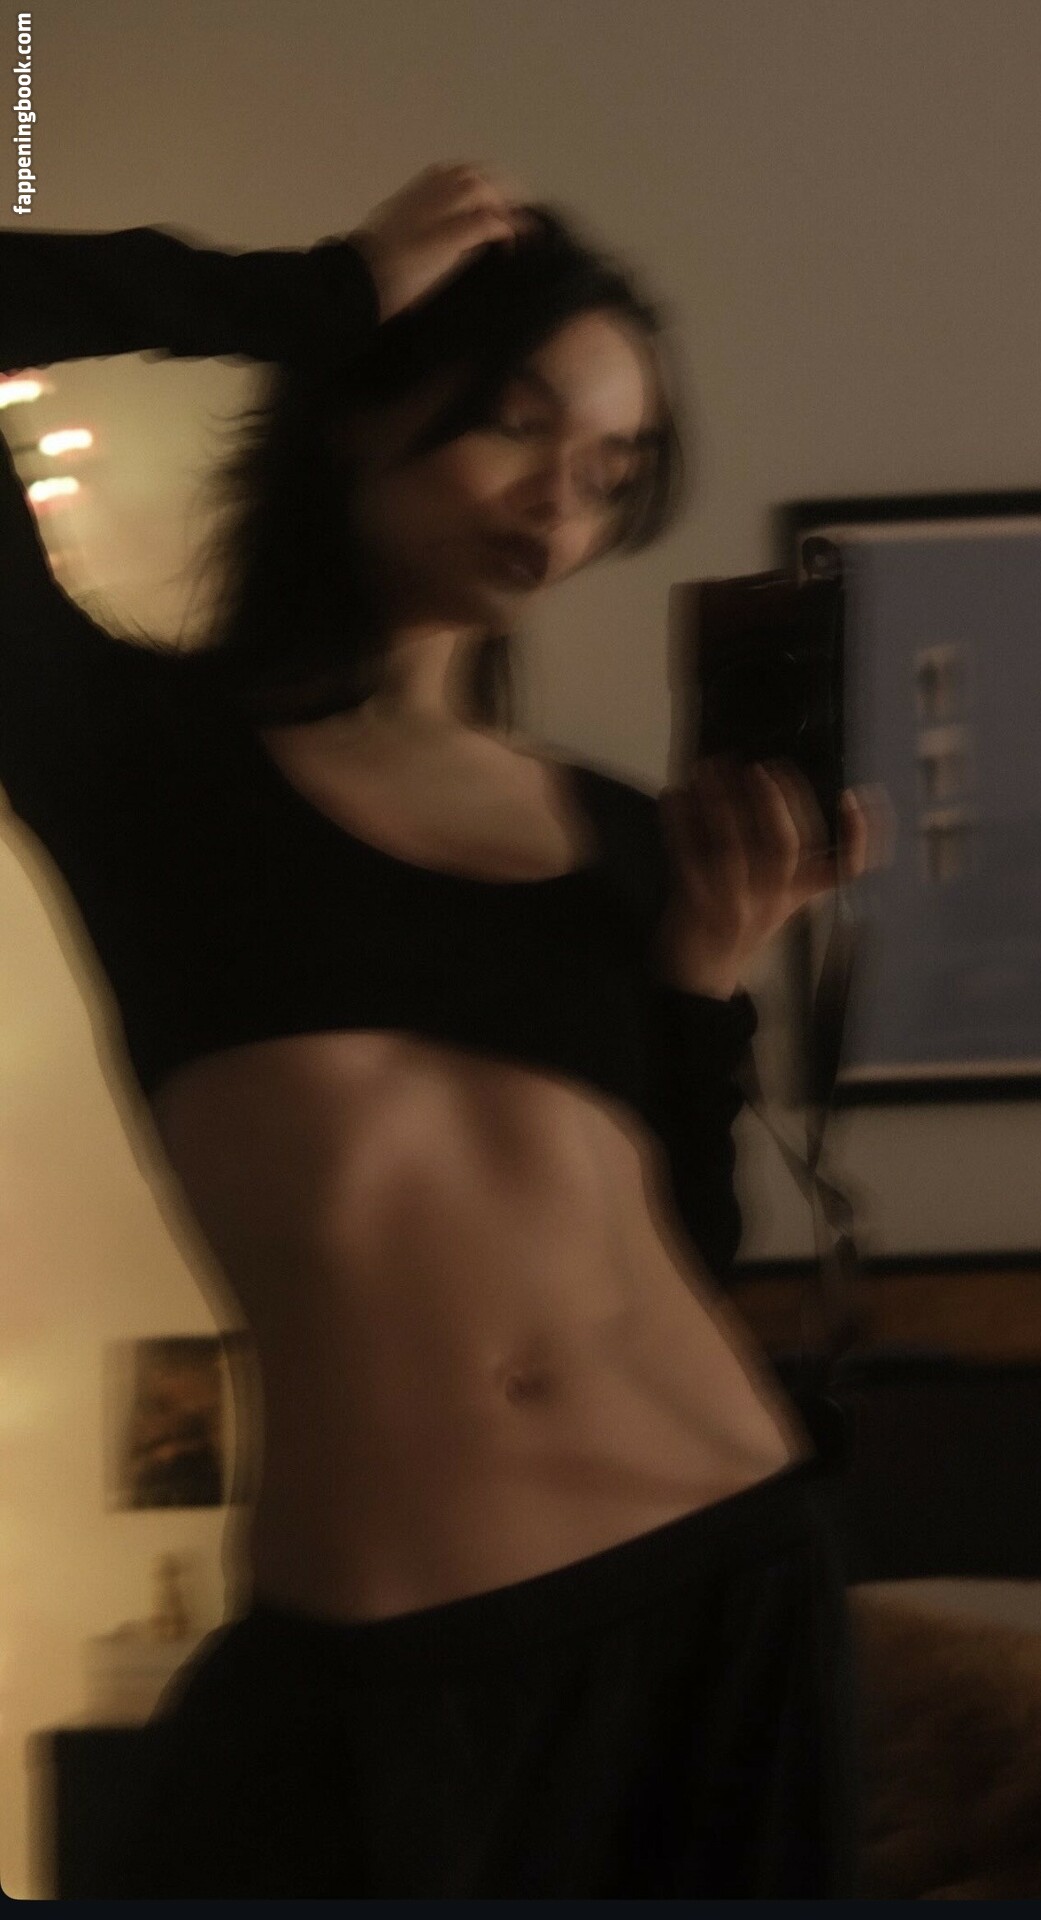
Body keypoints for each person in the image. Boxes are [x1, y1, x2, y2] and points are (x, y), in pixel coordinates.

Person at [0, 161, 882, 1897]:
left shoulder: (625, 838)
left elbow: (674, 1260)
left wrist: (702, 987)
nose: (562, 496)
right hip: (375, 1669)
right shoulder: (133, 759)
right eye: (518, 421)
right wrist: (309, 293)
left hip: (721, 1599)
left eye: (613, 469)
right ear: (364, 399)